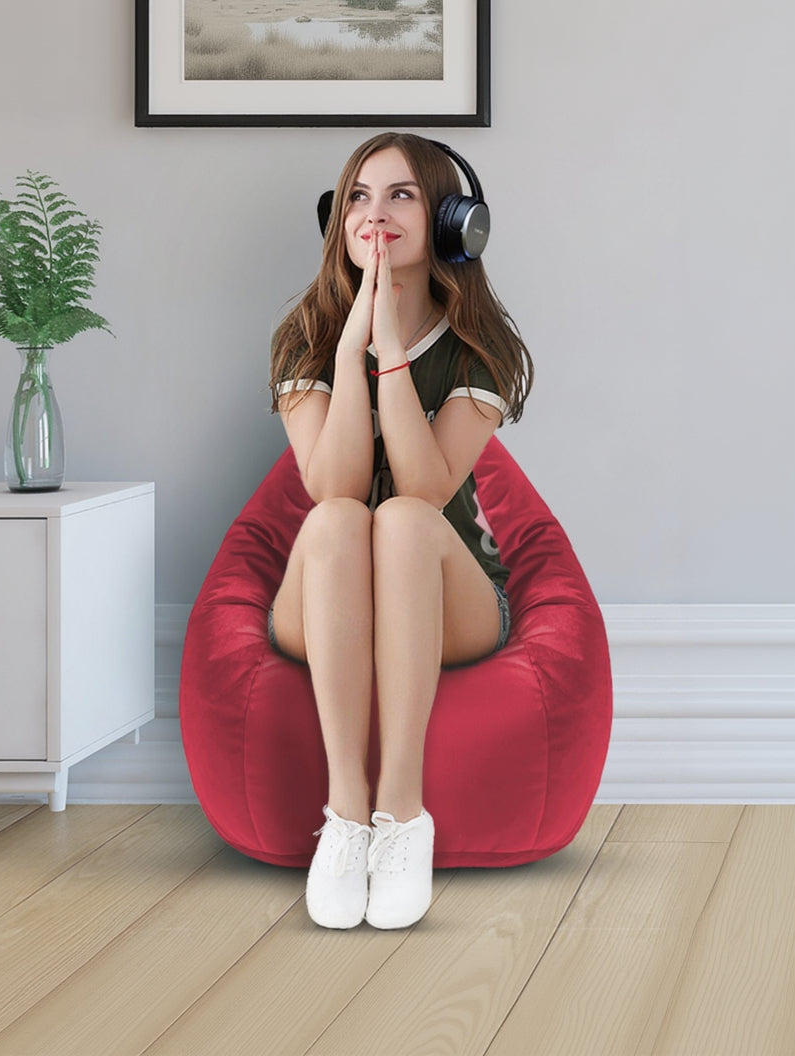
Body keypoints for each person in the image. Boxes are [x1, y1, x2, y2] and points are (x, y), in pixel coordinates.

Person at [268, 132, 533, 930]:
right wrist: (351, 350)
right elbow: (333, 484)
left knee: (406, 523)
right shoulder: (306, 338)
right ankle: (346, 818)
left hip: (447, 596)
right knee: (344, 518)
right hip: (326, 595)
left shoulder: (480, 350)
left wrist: (389, 352)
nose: (372, 215)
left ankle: (402, 814)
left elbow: (422, 489)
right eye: (356, 196)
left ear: (455, 223)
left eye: (400, 196)